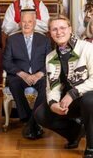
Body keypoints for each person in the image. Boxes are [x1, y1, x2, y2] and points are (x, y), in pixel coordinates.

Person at [35, 15, 93, 158]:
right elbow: (52, 87)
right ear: (50, 32)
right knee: (40, 114)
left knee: (89, 101)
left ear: (70, 29)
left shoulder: (87, 48)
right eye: (54, 29)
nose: (59, 32)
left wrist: (72, 94)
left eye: (62, 28)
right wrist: (53, 103)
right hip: (69, 102)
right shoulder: (50, 57)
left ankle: (91, 146)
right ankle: (74, 133)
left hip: (88, 96)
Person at [3, 9, 51, 139]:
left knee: (46, 86)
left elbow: (50, 61)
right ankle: (31, 120)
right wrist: (23, 74)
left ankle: (31, 122)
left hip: (39, 75)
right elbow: (6, 62)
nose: (26, 24)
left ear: (35, 23)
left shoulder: (44, 40)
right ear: (19, 23)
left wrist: (39, 74)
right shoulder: (12, 39)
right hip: (20, 76)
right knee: (13, 83)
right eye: (23, 22)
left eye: (30, 21)